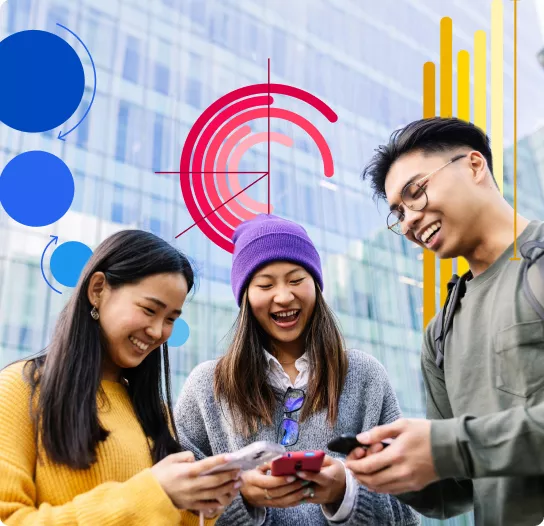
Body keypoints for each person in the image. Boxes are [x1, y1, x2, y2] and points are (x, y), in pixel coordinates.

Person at [345, 117, 544, 526]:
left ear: (475, 166)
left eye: (415, 192)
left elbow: (455, 447)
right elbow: (457, 487)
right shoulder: (441, 333)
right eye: (397, 212)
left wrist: (446, 446)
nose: (408, 221)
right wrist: (360, 477)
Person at [174, 214, 420, 525]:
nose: (283, 296)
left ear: (316, 285)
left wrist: (344, 493)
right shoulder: (207, 387)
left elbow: (406, 511)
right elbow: (177, 507)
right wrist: (242, 496)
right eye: (265, 284)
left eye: (296, 280)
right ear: (245, 296)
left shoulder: (365, 377)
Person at [0, 229, 242, 526]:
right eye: (149, 310)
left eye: (170, 319)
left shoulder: (157, 413)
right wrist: (153, 493)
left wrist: (206, 503)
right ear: (98, 289)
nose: (157, 331)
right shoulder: (19, 390)